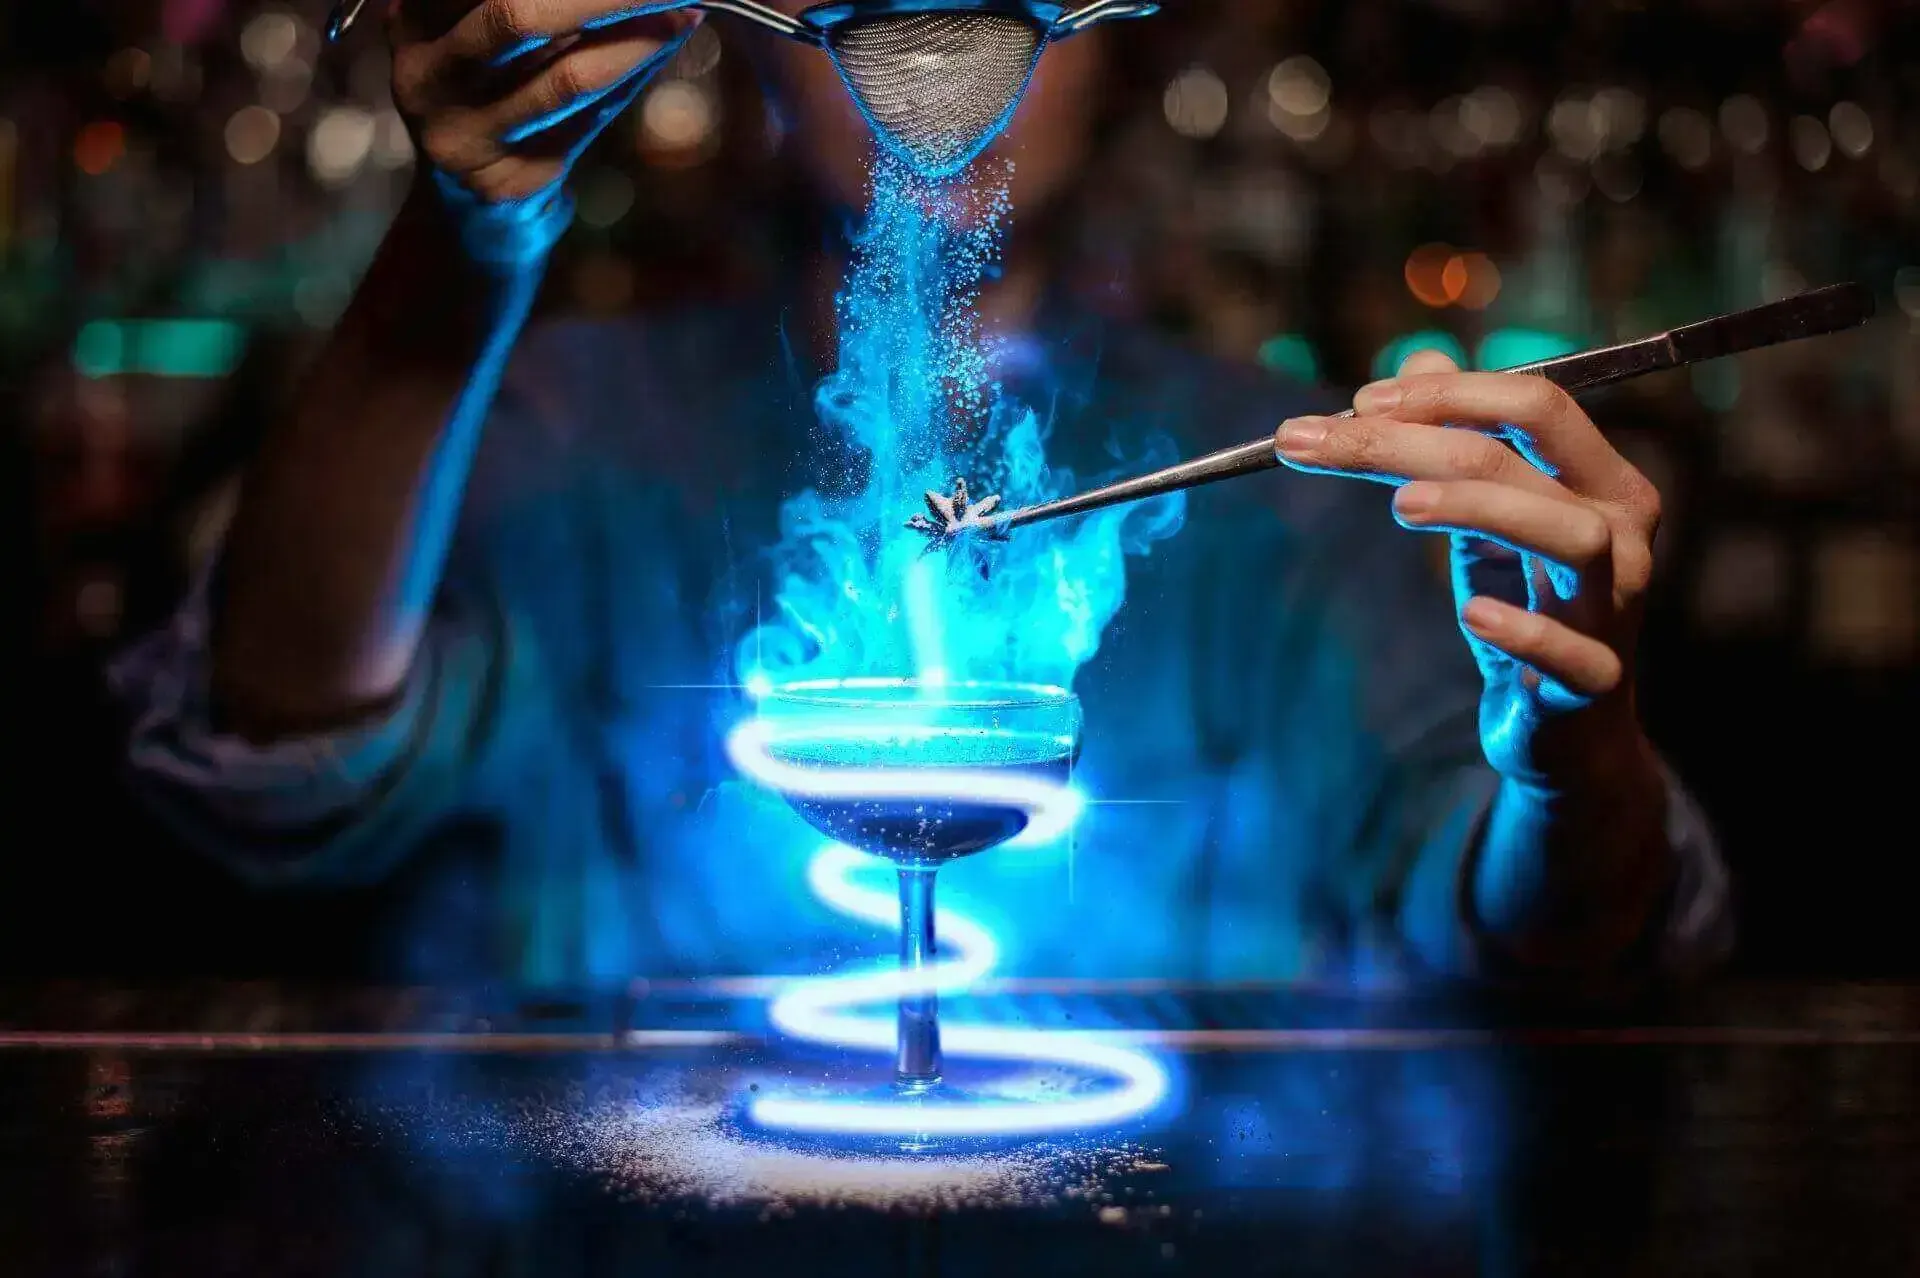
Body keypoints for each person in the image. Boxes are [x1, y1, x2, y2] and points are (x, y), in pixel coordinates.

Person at [111, 0, 1729, 990]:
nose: (946, 40)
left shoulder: (1295, 491)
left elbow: (1542, 947)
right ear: (741, 30)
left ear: (1123, 33)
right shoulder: (556, 427)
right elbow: (274, 766)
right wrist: (467, 239)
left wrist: (1569, 763)